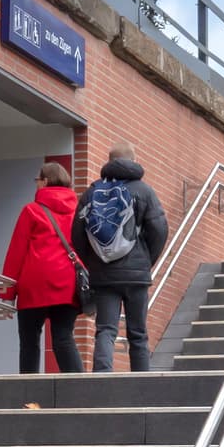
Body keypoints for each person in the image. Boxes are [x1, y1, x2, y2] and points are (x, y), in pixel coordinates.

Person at [77, 148, 172, 373]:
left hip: (104, 275)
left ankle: (102, 377)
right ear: (134, 161)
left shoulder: (92, 192)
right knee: (138, 333)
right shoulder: (145, 191)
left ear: (109, 162)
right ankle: (141, 383)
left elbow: (77, 234)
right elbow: (159, 230)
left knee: (106, 330)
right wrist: (147, 260)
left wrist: (93, 263)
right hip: (137, 273)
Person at [0, 154, 83, 373]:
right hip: (67, 284)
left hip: (34, 283)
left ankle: (30, 399)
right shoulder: (79, 212)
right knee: (64, 339)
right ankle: (81, 392)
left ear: (45, 181)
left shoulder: (32, 210)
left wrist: (7, 294)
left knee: (29, 343)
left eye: (37, 179)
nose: (36, 183)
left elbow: (16, 253)